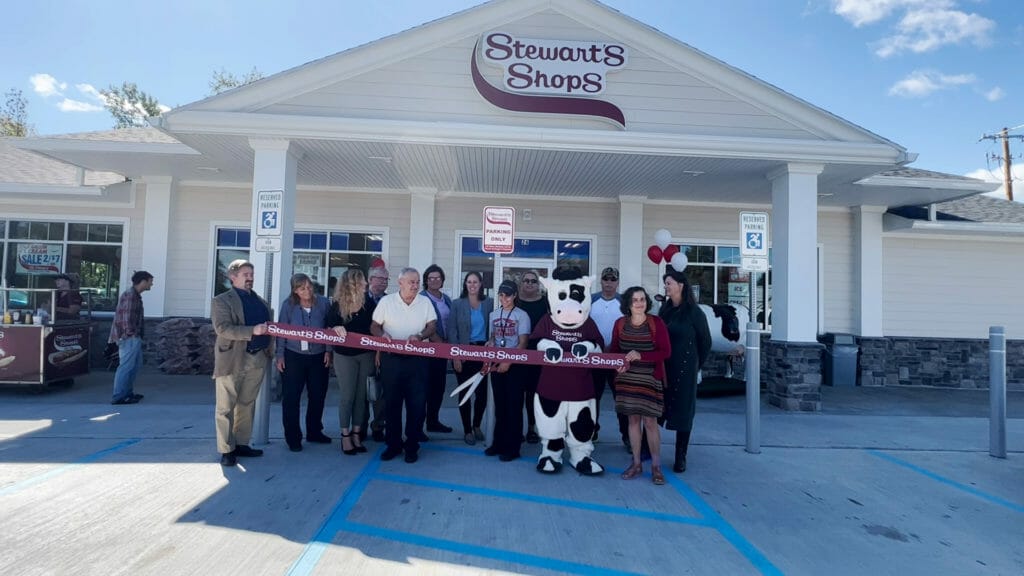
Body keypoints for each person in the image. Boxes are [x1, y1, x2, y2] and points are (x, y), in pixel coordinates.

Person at [371, 267, 437, 464]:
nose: (416, 285)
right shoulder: (386, 302)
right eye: (411, 282)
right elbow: (374, 325)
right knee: (391, 404)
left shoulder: (425, 302)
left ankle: (412, 446)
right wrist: (381, 335)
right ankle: (393, 445)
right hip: (391, 360)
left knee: (416, 406)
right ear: (400, 283)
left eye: (417, 282)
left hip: (418, 360)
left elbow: (432, 325)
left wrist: (420, 336)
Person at [211, 259, 273, 467]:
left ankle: (242, 443)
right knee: (225, 406)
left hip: (257, 357)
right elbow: (222, 328)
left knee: (247, 403)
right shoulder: (222, 301)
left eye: (252, 274)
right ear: (232, 276)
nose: (250, 278)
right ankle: (227, 449)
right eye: (246, 274)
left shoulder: (260, 301)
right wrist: (251, 331)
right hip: (233, 358)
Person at [609, 286, 672, 485]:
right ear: (628, 303)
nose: (639, 303)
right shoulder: (620, 324)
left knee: (651, 423)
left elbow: (665, 352)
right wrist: (617, 364)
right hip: (627, 380)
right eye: (635, 300)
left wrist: (641, 355)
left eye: (642, 299)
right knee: (633, 422)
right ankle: (636, 463)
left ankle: (656, 466)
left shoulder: (656, 323)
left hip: (649, 380)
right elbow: (615, 350)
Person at [658, 268, 712, 473]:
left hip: (685, 370)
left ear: (681, 286)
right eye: (665, 283)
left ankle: (681, 455)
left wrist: (696, 365)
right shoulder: (665, 310)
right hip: (664, 368)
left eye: (669, 283)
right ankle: (648, 447)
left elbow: (705, 342)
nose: (666, 286)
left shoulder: (695, 313)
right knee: (657, 408)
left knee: (683, 413)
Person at [275, 273, 333, 452]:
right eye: (302, 288)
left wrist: (329, 350)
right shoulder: (288, 306)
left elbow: (329, 328)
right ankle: (293, 437)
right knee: (291, 397)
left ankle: (314, 431)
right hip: (293, 356)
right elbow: (282, 331)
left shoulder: (324, 303)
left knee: (317, 395)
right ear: (295, 291)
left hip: (318, 355)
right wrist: (280, 355)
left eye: (309, 287)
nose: (307, 291)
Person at [326, 268, 376, 456]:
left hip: (366, 355)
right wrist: (336, 327)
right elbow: (329, 325)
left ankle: (357, 433)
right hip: (344, 356)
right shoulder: (337, 305)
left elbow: (376, 326)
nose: (365, 284)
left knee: (361, 397)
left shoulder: (369, 303)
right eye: (362, 281)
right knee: (348, 395)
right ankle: (345, 435)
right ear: (352, 284)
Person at [484, 280, 531, 461]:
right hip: (497, 365)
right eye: (501, 295)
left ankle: (513, 447)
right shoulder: (493, 314)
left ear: (515, 296)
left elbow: (523, 343)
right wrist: (489, 342)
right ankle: (498, 443)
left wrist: (509, 361)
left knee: (514, 407)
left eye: (508, 295)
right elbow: (493, 336)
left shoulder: (522, 315)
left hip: (515, 366)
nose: (504, 298)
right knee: (500, 406)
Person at [446, 271, 492, 445]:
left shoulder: (489, 303)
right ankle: (467, 430)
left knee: (482, 394)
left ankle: (477, 425)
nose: (472, 285)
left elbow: (493, 327)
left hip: (483, 353)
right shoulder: (457, 304)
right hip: (464, 353)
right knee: (465, 392)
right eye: (469, 282)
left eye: (475, 282)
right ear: (465, 284)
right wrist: (455, 356)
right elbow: (452, 331)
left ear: (481, 284)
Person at [589, 266, 627, 445]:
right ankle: (592, 431)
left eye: (613, 280)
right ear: (601, 281)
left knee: (621, 398)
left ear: (618, 282)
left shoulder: (624, 303)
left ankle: (627, 436)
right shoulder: (590, 301)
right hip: (594, 357)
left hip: (617, 358)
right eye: (606, 279)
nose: (609, 283)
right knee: (592, 397)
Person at [108, 270, 154, 405]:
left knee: (134, 365)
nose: (152, 284)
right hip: (128, 338)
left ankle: (127, 393)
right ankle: (119, 396)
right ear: (143, 281)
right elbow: (127, 319)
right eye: (150, 281)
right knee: (126, 366)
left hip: (132, 337)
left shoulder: (135, 295)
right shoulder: (130, 296)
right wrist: (131, 334)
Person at [515, 269, 549, 444]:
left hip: (539, 357)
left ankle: (532, 428)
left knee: (534, 395)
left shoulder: (546, 303)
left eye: (533, 281)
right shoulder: (515, 302)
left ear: (538, 284)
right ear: (521, 283)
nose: (529, 283)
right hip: (518, 355)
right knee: (517, 394)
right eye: (526, 280)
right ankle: (517, 429)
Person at [421, 264, 454, 435]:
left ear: (442, 280)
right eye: (431, 278)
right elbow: (426, 326)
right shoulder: (421, 298)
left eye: (438, 278)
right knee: (424, 389)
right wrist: (441, 344)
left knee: (438, 387)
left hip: (443, 350)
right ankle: (418, 427)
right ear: (426, 280)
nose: (434, 281)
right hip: (428, 351)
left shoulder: (446, 299)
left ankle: (433, 421)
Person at [364, 265, 390, 441]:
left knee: (381, 393)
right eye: (380, 278)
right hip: (362, 352)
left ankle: (378, 426)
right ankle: (360, 426)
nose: (383, 282)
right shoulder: (359, 300)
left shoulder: (390, 301)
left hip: (383, 353)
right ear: (370, 279)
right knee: (363, 391)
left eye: (386, 279)